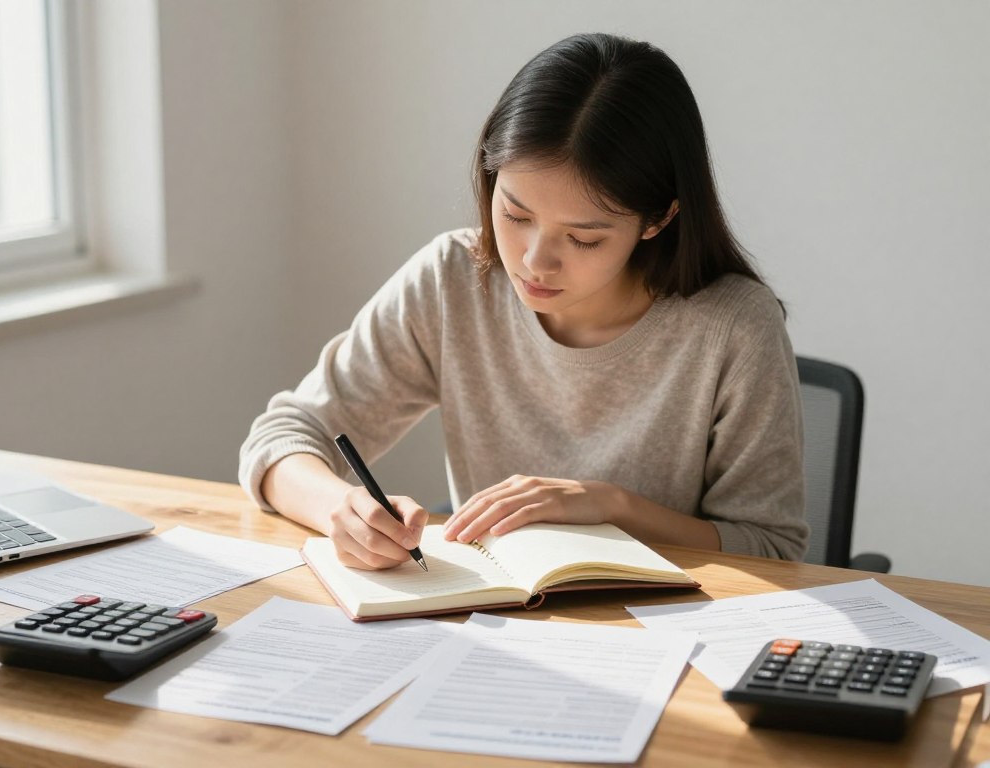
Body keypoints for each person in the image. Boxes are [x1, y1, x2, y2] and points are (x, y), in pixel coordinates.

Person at [238, 32, 808, 570]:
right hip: (490, 631)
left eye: (583, 237)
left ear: (659, 219)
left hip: (663, 638)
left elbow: (771, 549)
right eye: (514, 214)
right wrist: (340, 510)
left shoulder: (735, 328)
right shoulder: (453, 280)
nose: (535, 260)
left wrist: (612, 507)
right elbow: (282, 436)